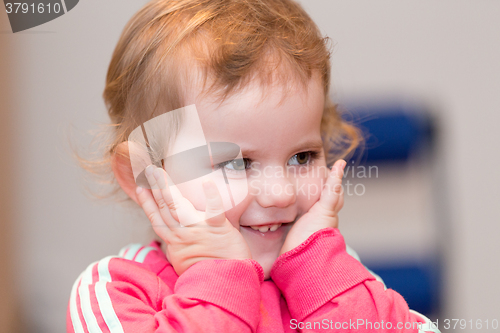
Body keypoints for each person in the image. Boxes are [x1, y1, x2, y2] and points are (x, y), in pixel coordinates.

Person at [67, 0, 441, 332]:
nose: (280, 194)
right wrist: (220, 278)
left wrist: (319, 277)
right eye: (237, 162)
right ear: (144, 175)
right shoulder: (114, 290)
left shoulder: (337, 279)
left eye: (302, 157)